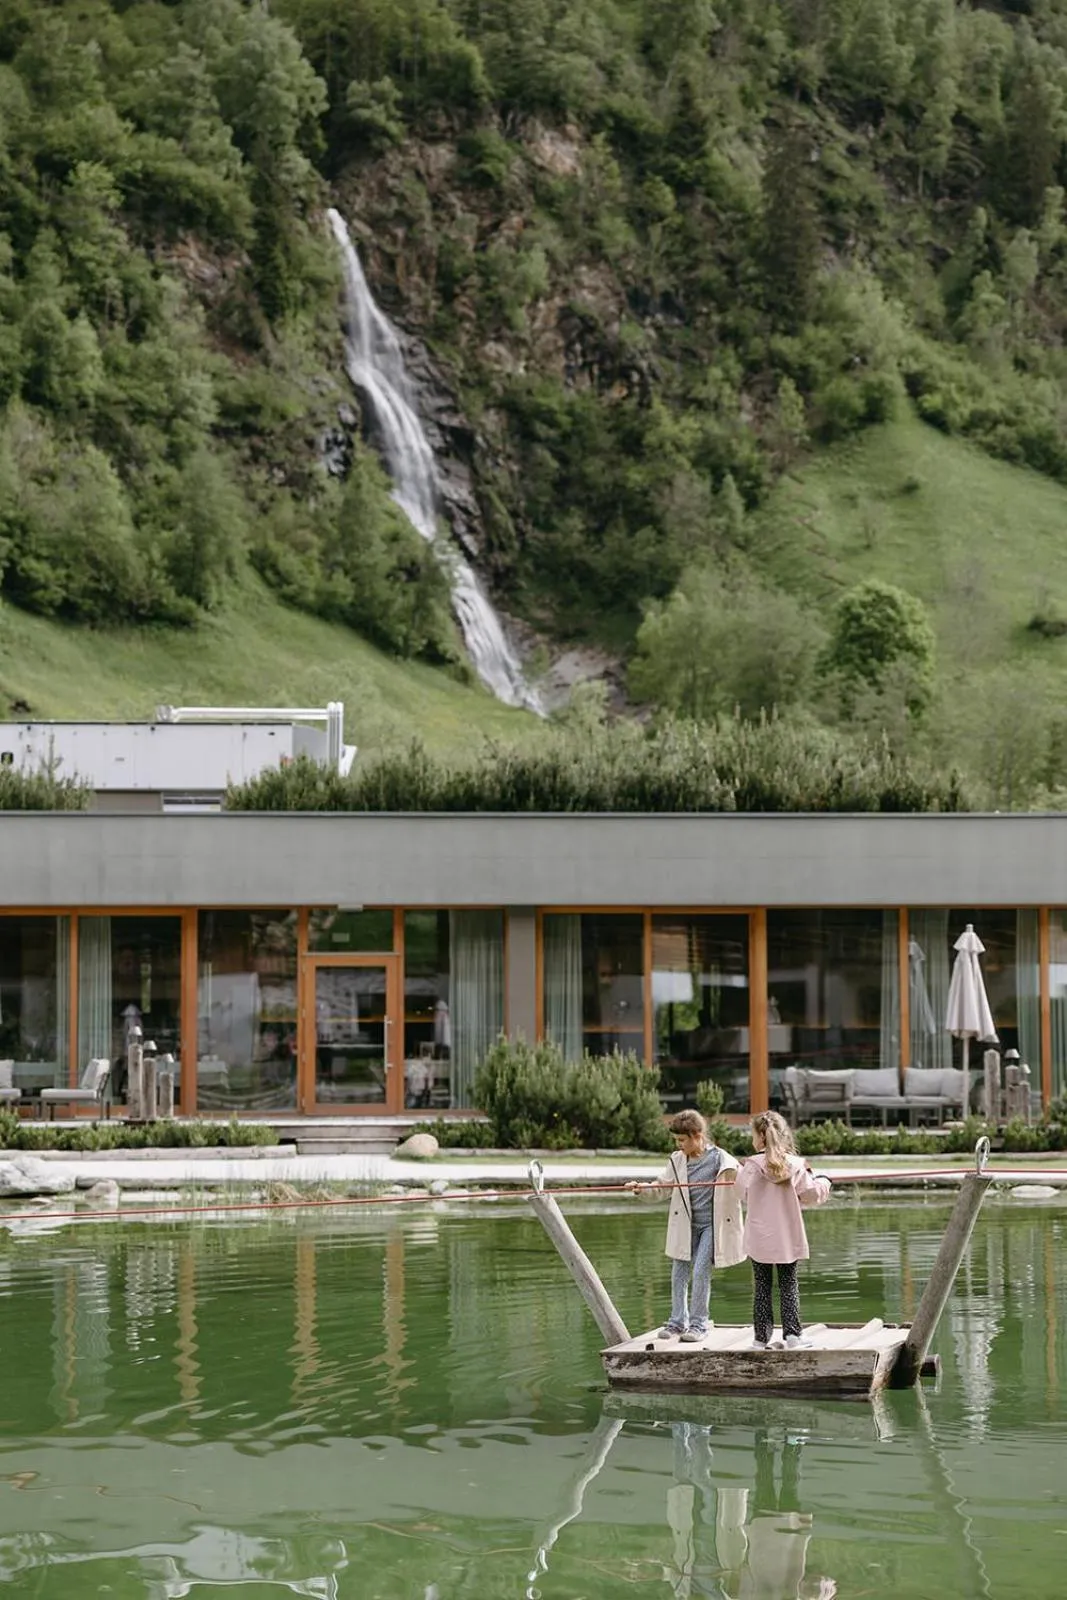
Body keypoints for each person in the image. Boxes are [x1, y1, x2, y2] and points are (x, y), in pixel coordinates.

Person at [627, 1109, 745, 1343]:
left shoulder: (721, 1159)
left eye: (682, 1140)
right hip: (686, 1226)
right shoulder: (677, 1160)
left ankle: (699, 1324)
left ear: (697, 1135)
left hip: (712, 1226)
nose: (679, 1145)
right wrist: (642, 1188)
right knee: (678, 1273)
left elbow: (745, 1186)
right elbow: (661, 1187)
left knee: (701, 1271)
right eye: (677, 1140)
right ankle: (677, 1322)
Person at [734, 1110, 831, 1351]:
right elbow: (811, 1194)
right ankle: (793, 1336)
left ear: (760, 1138)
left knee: (762, 1286)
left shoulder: (750, 1167)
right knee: (789, 1284)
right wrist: (824, 1180)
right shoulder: (796, 1165)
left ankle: (760, 1339)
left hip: (759, 1238)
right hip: (786, 1236)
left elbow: (740, 1193)